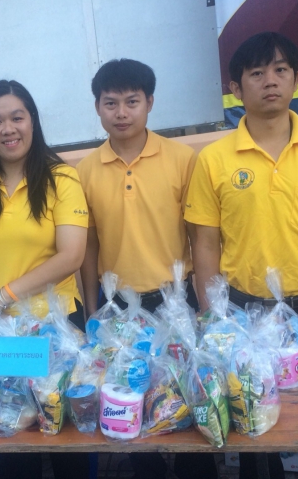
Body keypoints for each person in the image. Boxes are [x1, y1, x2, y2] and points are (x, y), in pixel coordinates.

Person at [185, 32, 298, 479]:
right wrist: (211, 318)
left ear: (296, 79)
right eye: (257, 72)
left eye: (281, 70)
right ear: (236, 88)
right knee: (252, 431)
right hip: (244, 315)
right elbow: (205, 244)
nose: (270, 80)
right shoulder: (213, 159)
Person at [77, 58, 218, 479]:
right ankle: (147, 469)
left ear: (150, 102)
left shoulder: (182, 159)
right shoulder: (85, 171)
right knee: (132, 397)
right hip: (119, 310)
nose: (121, 113)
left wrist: (205, 307)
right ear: (97, 107)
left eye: (132, 101)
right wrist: (91, 311)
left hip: (177, 301)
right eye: (110, 103)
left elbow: (201, 237)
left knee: (189, 395)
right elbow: (88, 246)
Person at [0, 80, 89, 479]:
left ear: (32, 120)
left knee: (65, 440)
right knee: (9, 442)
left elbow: (71, 255)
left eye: (17, 117)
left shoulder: (61, 178)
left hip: (55, 329)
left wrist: (2, 295)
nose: (8, 129)